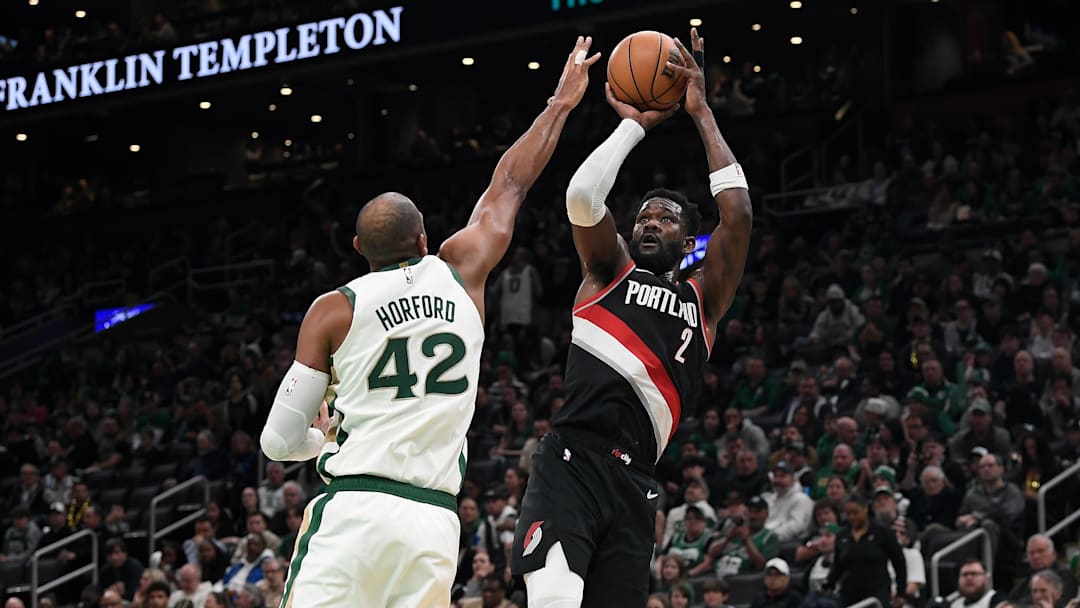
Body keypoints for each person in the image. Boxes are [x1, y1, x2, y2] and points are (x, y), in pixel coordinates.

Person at [258, 36, 601, 607]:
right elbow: (510, 184)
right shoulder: (460, 271)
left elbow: (276, 443)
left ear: (358, 250)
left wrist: (320, 438)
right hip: (433, 522)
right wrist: (559, 105)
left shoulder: (334, 308)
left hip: (353, 511)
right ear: (423, 239)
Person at [511, 29, 753, 607]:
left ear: (688, 241)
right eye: (643, 217)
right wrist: (633, 127)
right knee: (554, 599)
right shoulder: (608, 270)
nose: (649, 223)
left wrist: (701, 113)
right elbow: (582, 198)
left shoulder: (705, 297)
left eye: (665, 219)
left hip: (637, 479)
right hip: (571, 461)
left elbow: (739, 214)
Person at [825, 496, 907, 608]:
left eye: (855, 513)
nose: (851, 517)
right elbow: (838, 565)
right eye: (848, 514)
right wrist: (829, 584)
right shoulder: (842, 535)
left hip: (876, 591)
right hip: (850, 592)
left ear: (865, 509)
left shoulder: (882, 532)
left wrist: (901, 592)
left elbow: (899, 562)